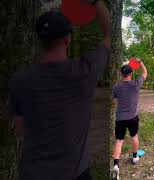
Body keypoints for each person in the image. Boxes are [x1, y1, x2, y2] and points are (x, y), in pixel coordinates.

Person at [7, 1, 110, 180]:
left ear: (40, 40)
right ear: (67, 39)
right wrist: (96, 2)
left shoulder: (19, 80)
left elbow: (20, 128)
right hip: (75, 174)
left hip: (33, 173)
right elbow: (108, 36)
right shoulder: (85, 71)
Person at [111, 59, 148, 179]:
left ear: (122, 74)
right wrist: (140, 62)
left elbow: (115, 98)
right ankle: (135, 157)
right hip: (132, 117)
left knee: (119, 141)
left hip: (120, 118)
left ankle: (116, 165)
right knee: (134, 137)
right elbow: (145, 72)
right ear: (131, 74)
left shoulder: (116, 86)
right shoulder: (136, 83)